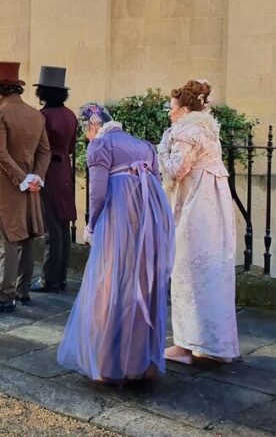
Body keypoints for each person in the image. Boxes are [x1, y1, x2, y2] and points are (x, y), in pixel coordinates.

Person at [57, 103, 175, 383]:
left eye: (84, 131)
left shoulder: (100, 146)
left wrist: (92, 224)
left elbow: (97, 193)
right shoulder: (145, 146)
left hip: (118, 221)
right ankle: (140, 361)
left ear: (91, 126)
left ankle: (107, 364)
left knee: (110, 283)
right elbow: (156, 183)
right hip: (149, 221)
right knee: (142, 284)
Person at [158, 79, 240, 365]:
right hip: (213, 205)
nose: (169, 112)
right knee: (212, 272)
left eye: (171, 106)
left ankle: (184, 346)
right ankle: (211, 343)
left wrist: (160, 150)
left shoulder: (185, 130)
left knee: (186, 271)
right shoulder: (207, 129)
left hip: (195, 207)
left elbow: (176, 169)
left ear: (183, 108)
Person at [0, 61, 50, 313]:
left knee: (7, 240)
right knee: (27, 237)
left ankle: (4, 296)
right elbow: (44, 151)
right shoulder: (35, 114)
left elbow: (0, 153)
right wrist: (35, 177)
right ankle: (22, 290)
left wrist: (22, 179)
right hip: (29, 184)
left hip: (9, 186)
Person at [31, 66, 79, 294]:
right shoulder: (70, 115)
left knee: (51, 226)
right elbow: (71, 146)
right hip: (65, 170)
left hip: (49, 170)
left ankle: (49, 279)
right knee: (63, 224)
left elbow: (37, 148)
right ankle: (59, 277)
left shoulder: (43, 117)